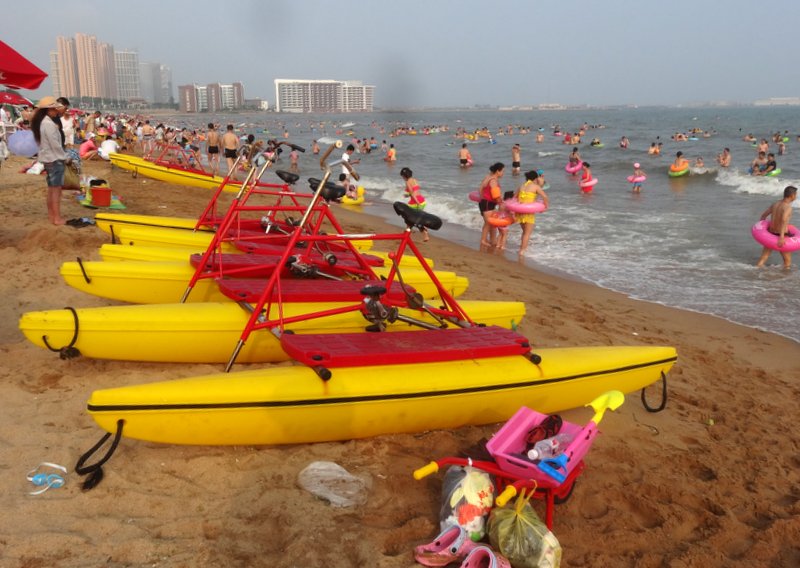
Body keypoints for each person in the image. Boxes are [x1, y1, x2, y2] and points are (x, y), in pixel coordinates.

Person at [30, 96, 67, 225]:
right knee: (56, 190)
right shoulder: (48, 124)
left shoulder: (43, 122)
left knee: (52, 189)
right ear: (49, 109)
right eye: (54, 109)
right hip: (54, 159)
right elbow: (55, 144)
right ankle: (56, 218)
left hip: (48, 159)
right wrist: (64, 157)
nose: (56, 111)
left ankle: (52, 216)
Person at [756, 186, 797, 269]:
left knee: (764, 257)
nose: (796, 196)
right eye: (796, 195)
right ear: (792, 195)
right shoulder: (788, 207)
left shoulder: (776, 204)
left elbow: (763, 216)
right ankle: (786, 278)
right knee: (787, 261)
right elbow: (783, 220)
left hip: (770, 232)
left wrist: (761, 229)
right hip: (781, 235)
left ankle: (755, 270)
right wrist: (782, 237)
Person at [515, 170, 549, 257]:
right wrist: (545, 207)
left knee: (524, 232)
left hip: (519, 211)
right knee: (527, 233)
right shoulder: (535, 187)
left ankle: (522, 248)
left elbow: (514, 198)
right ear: (535, 178)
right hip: (528, 213)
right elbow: (545, 197)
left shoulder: (521, 186)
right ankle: (522, 251)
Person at [477, 162, 505, 250]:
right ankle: (483, 240)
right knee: (488, 223)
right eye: (502, 171)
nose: (503, 173)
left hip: (484, 202)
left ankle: (490, 240)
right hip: (488, 203)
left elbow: (480, 188)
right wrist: (501, 202)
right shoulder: (493, 180)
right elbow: (495, 195)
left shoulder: (488, 177)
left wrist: (482, 197)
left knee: (489, 223)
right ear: (497, 171)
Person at [400, 167, 429, 242]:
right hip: (422, 201)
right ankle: (408, 230)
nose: (402, 178)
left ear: (404, 176)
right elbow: (415, 191)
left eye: (402, 176)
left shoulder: (407, 182)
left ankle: (424, 233)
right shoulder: (414, 180)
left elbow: (413, 194)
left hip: (415, 203)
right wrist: (408, 195)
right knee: (411, 217)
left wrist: (417, 202)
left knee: (408, 216)